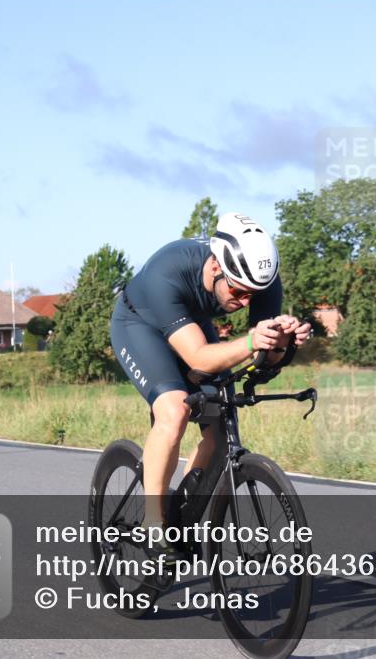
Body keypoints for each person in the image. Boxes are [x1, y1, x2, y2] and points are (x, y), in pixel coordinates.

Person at [110, 212, 311, 555]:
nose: (246, 302)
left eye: (254, 294)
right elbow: (200, 358)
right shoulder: (168, 270)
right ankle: (154, 525)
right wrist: (251, 341)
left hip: (191, 323)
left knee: (220, 427)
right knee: (174, 410)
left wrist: (281, 342)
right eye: (238, 291)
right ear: (217, 266)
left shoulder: (259, 281)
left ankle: (183, 513)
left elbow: (262, 362)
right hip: (139, 325)